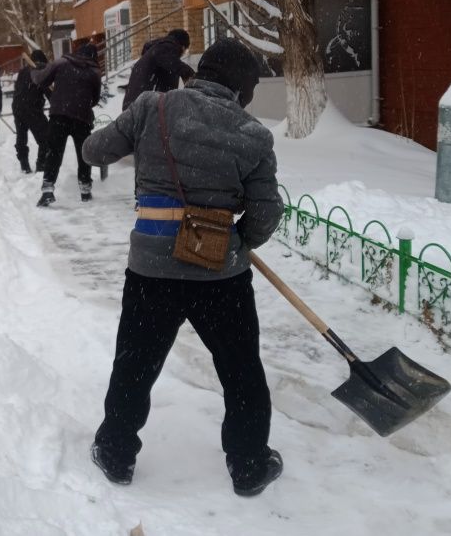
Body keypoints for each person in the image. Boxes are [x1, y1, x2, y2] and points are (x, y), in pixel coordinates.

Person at [81, 37, 284, 496]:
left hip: (151, 271)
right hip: (220, 276)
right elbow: (266, 212)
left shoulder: (153, 107)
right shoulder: (253, 134)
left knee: (135, 364)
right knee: (241, 371)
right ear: (241, 88)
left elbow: (94, 151)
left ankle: (115, 454)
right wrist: (235, 245)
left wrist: (136, 135)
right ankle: (250, 464)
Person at [32, 43, 102, 206]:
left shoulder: (61, 62)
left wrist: (35, 71)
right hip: (82, 117)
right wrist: (81, 101)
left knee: (54, 152)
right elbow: (96, 98)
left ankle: (47, 190)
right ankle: (85, 190)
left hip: (59, 115)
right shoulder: (94, 71)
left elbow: (41, 80)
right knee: (83, 153)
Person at [121, 29, 195, 111]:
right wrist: (189, 73)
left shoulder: (152, 54)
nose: (183, 54)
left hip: (134, 108)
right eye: (185, 50)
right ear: (183, 46)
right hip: (143, 109)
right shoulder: (166, 48)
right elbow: (170, 61)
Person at [12, 49, 50, 173]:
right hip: (32, 109)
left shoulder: (23, 71)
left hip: (18, 108)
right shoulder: (41, 71)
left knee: (21, 137)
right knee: (46, 138)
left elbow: (18, 88)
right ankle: (41, 165)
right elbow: (48, 91)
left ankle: (24, 166)